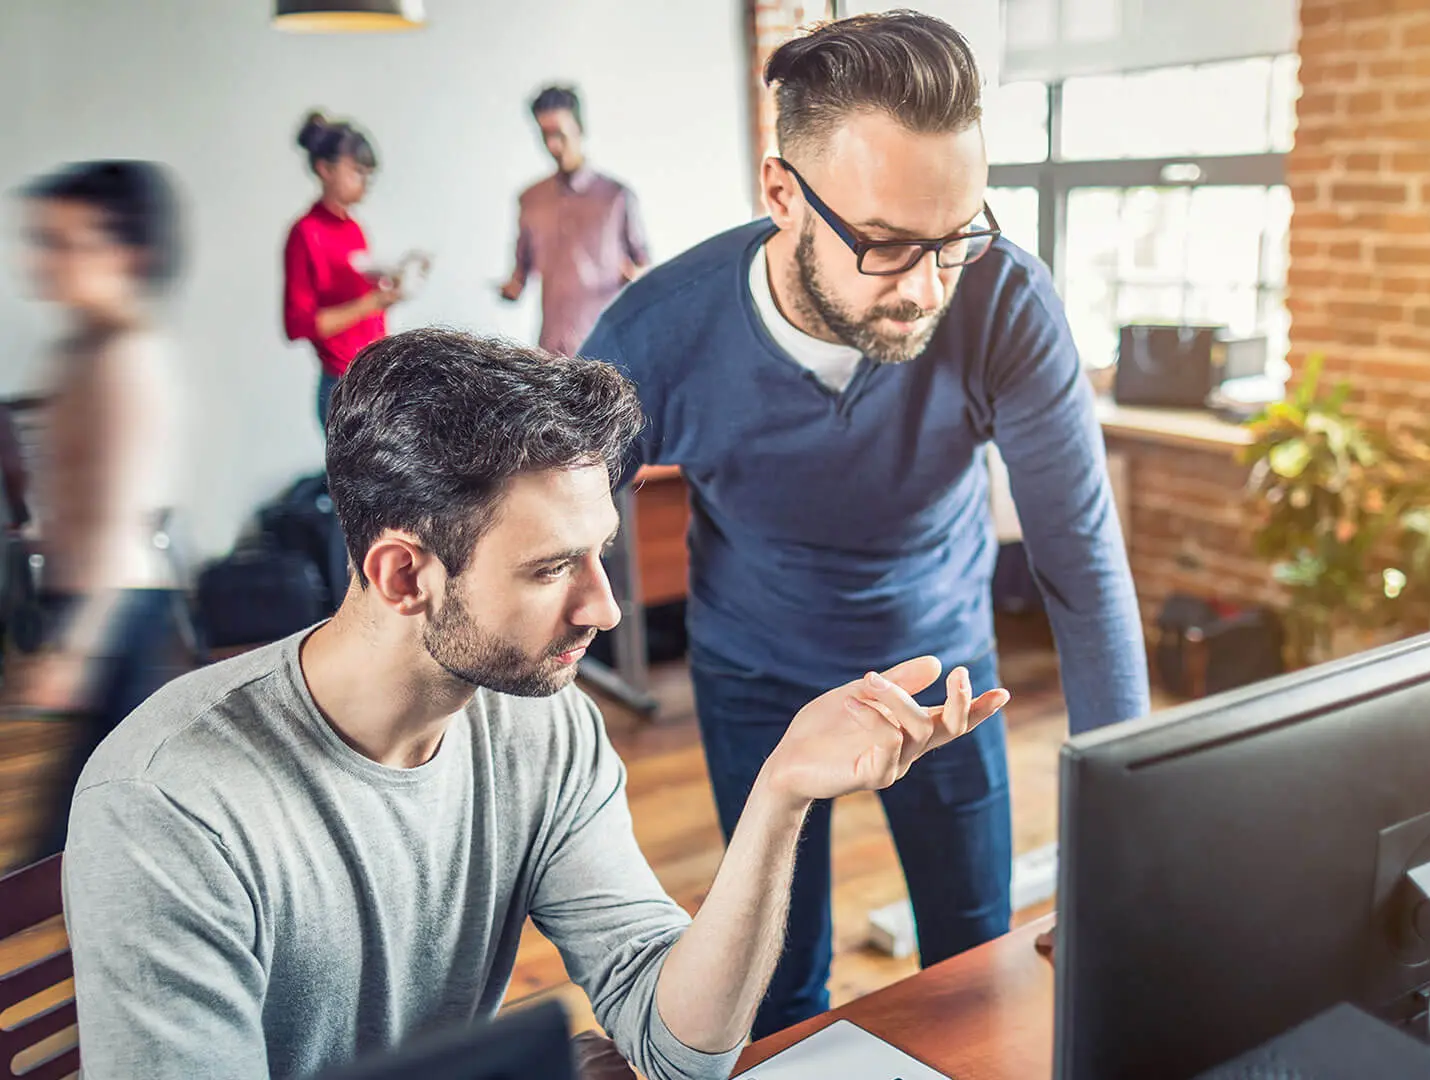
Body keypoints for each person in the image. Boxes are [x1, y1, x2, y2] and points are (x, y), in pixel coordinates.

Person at [60, 327, 1008, 1079]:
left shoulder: (540, 725)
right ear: (404, 575)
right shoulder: (170, 806)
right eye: (554, 567)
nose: (604, 605)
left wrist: (782, 795)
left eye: (601, 552)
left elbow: (677, 1048)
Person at [580, 11, 1150, 1036]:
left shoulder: (1004, 301)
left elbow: (1081, 565)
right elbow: (550, 538)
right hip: (755, 674)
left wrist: (1127, 847)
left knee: (974, 963)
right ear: (782, 195)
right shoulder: (654, 333)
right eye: (886, 246)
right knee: (781, 984)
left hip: (945, 675)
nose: (927, 288)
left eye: (957, 237)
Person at [11, 160, 187, 861]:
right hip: (92, 608)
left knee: (76, 840)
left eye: (67, 243)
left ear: (129, 254)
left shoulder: (125, 360)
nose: (45, 262)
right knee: (88, 835)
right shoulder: (80, 350)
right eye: (41, 241)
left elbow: (120, 525)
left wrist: (76, 651)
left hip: (123, 616)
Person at [283, 111, 419, 434]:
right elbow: (300, 324)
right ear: (325, 169)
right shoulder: (305, 234)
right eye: (357, 172)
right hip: (341, 386)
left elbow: (358, 295)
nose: (365, 184)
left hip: (373, 378)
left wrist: (390, 287)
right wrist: (372, 303)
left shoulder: (353, 229)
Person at [500, 85, 651, 356]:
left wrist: (635, 276)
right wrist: (511, 287)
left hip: (608, 347)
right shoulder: (530, 200)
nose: (552, 145)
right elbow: (520, 272)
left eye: (559, 133)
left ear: (579, 128)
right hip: (551, 351)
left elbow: (645, 267)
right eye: (545, 135)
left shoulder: (617, 196)